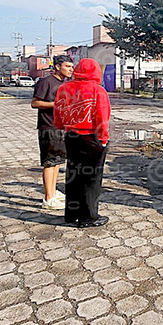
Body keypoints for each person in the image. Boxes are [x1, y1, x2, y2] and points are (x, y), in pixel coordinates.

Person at [53, 58, 111, 228]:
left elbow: (58, 111)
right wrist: (103, 140)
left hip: (71, 137)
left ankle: (71, 215)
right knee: (91, 179)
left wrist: (62, 126)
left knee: (73, 176)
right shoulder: (97, 91)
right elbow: (102, 118)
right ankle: (88, 217)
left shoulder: (64, 88)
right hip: (91, 138)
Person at [31, 55, 74, 210]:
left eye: (71, 67)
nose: (70, 70)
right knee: (49, 162)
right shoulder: (46, 82)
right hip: (48, 127)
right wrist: (55, 105)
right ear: (57, 66)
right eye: (67, 66)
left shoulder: (65, 83)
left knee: (57, 161)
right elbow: (35, 103)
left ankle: (53, 192)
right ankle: (48, 198)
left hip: (61, 127)